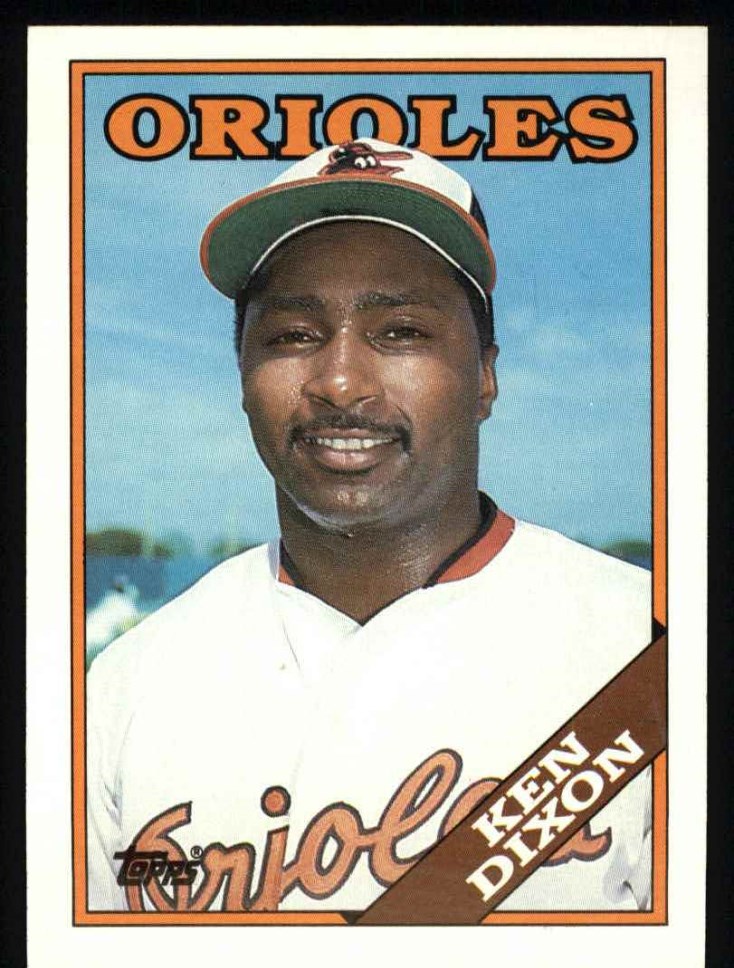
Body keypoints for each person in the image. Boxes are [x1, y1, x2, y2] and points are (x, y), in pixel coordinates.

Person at [87, 139, 652, 914]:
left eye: (401, 331)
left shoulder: (651, 656)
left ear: (485, 376)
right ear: (242, 375)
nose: (340, 381)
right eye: (292, 335)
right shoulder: (125, 687)